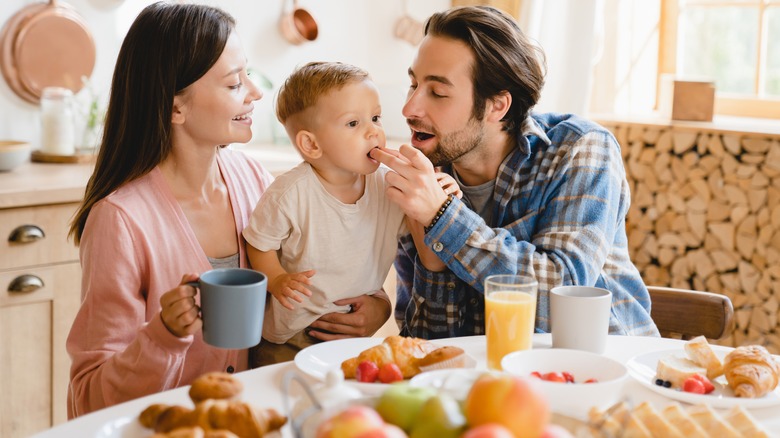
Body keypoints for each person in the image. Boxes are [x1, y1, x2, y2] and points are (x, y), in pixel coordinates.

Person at [369, 6, 660, 339]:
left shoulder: (580, 149)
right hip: (493, 384)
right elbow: (431, 350)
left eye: (437, 92)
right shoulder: (420, 179)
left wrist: (442, 219)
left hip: (605, 376)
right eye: (413, 84)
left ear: (497, 106)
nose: (409, 108)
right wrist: (433, 267)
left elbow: (561, 300)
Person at [65, 2, 274, 417]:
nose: (255, 92)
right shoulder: (120, 220)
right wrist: (163, 336)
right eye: (234, 84)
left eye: (247, 75)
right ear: (175, 107)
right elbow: (89, 396)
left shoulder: (255, 180)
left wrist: (370, 303)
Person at [243, 62, 461, 366]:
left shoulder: (387, 184)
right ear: (312, 144)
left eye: (375, 118)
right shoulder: (289, 193)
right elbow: (258, 242)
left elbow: (425, 242)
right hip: (291, 336)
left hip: (353, 334)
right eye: (353, 124)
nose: (374, 131)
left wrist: (439, 201)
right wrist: (277, 280)